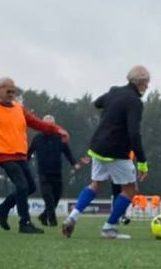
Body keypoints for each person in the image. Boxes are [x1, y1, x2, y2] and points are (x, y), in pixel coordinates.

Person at [0, 77, 69, 235]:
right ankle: (24, 223)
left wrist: (57, 130)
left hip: (20, 154)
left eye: (13, 91)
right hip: (4, 154)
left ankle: (2, 209)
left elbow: (37, 123)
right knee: (22, 185)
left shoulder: (18, 108)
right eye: (8, 91)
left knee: (31, 187)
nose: (11, 94)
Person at [61, 65, 151, 240]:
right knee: (130, 189)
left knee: (96, 184)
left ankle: (72, 217)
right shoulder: (135, 102)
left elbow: (97, 103)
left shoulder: (114, 91)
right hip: (116, 150)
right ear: (140, 83)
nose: (147, 87)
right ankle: (108, 228)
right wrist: (142, 162)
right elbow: (134, 133)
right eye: (146, 83)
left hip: (98, 147)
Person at [27, 114, 79, 226]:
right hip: (43, 173)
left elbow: (67, 152)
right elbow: (29, 153)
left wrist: (74, 163)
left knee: (56, 197)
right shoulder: (37, 139)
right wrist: (22, 163)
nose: (49, 127)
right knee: (48, 198)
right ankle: (52, 220)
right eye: (46, 124)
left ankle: (43, 216)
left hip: (57, 173)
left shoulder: (60, 138)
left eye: (52, 124)